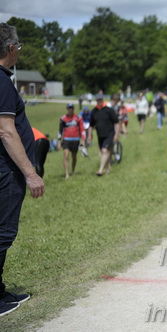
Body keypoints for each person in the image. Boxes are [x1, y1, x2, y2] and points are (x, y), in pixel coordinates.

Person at [0, 22, 45, 317]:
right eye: (19, 48)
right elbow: (6, 131)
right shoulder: (3, 81)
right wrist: (30, 173)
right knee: (3, 233)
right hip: (6, 173)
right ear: (11, 48)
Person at [87, 94, 119, 176]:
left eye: (101, 100)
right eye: (98, 100)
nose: (99, 101)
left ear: (103, 100)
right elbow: (91, 125)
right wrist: (89, 135)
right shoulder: (94, 111)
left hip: (110, 133)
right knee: (104, 151)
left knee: (105, 150)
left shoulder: (109, 110)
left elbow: (116, 123)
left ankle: (100, 169)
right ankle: (108, 168)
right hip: (100, 135)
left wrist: (116, 134)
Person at [58, 103, 86, 179]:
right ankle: (67, 174)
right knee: (66, 156)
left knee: (74, 157)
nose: (70, 110)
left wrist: (83, 140)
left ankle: (72, 170)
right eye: (69, 108)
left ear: (73, 109)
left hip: (76, 140)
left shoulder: (78, 118)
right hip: (66, 140)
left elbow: (82, 129)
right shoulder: (63, 118)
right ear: (67, 109)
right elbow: (60, 131)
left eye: (71, 108)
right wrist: (59, 141)